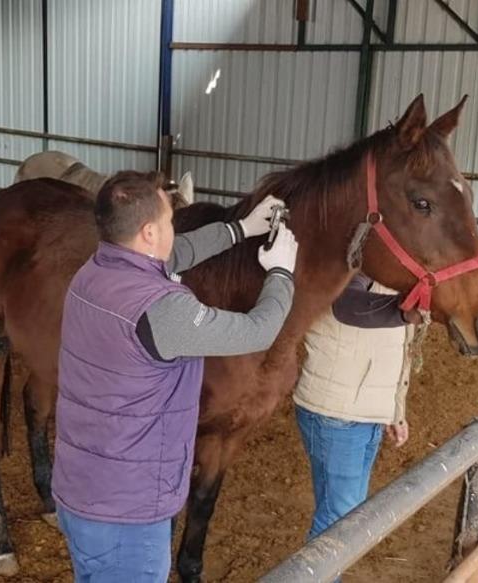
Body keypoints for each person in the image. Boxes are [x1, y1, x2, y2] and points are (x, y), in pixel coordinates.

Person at [52, 171, 298, 582]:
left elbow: (175, 253)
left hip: (81, 491)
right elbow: (260, 330)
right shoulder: (162, 309)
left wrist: (240, 229)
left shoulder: (93, 272)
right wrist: (282, 274)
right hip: (129, 515)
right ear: (149, 233)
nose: (174, 230)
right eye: (169, 222)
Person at [293, 273, 416, 547]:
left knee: (348, 516)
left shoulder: (395, 271)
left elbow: (394, 348)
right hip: (337, 414)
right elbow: (347, 305)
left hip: (364, 414)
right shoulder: (349, 262)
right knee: (338, 522)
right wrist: (407, 312)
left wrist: (394, 410)